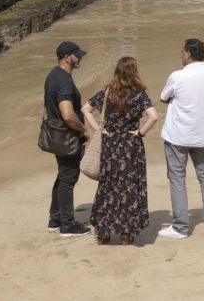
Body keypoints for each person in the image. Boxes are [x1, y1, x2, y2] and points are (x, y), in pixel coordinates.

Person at [83, 57, 158, 245]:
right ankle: (126, 233)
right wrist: (140, 133)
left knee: (108, 186)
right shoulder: (139, 94)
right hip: (130, 146)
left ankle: (104, 233)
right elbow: (154, 117)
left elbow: (86, 109)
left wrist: (98, 129)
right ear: (134, 72)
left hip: (110, 144)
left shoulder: (108, 91)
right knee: (129, 187)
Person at [158, 39, 204, 238]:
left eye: (182, 52)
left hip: (178, 136)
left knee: (177, 179)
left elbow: (163, 97)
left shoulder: (178, 76)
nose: (181, 55)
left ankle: (180, 227)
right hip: (203, 135)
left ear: (188, 55)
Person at [45, 41, 91, 237]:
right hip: (68, 137)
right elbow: (68, 114)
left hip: (57, 135)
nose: (80, 58)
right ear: (66, 57)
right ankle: (67, 225)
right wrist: (83, 131)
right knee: (68, 179)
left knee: (62, 176)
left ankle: (55, 220)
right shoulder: (64, 80)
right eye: (76, 55)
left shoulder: (53, 76)